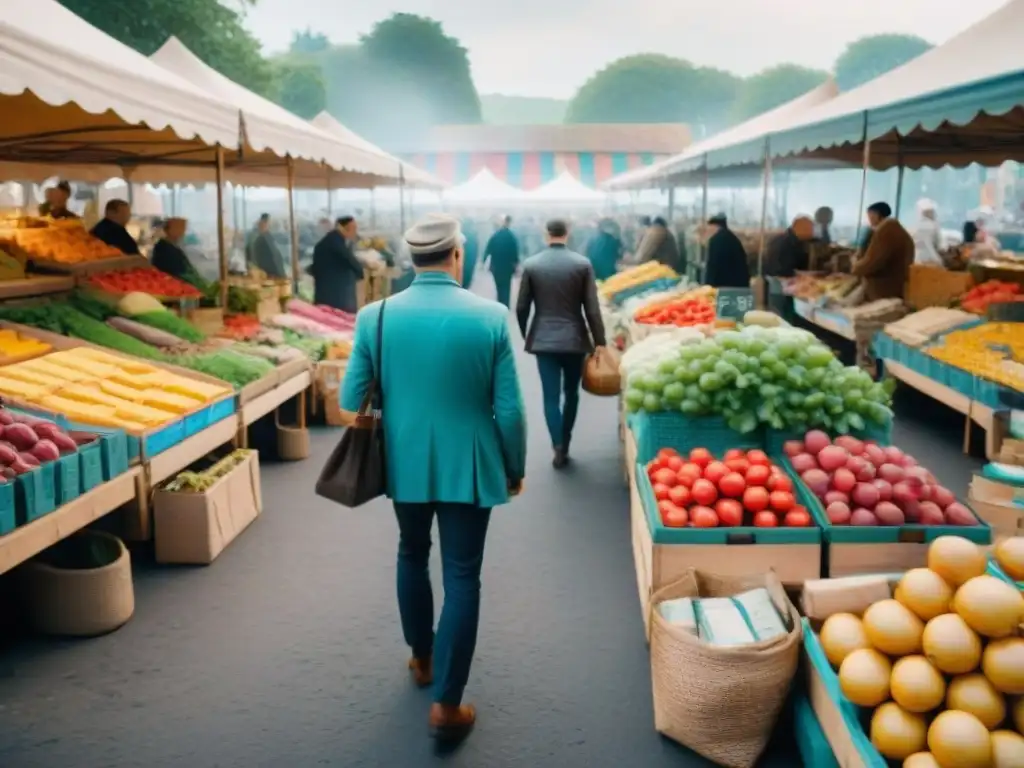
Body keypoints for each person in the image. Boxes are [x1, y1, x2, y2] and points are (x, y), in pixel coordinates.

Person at [340, 214, 527, 742]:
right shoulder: (490, 317)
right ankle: (447, 706)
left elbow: (349, 400)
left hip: (404, 459)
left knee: (411, 552)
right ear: (457, 256)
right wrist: (513, 467)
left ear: (411, 259)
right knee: (463, 576)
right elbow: (509, 412)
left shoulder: (374, 316)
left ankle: (422, 658)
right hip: (470, 463)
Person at [516, 219, 606, 469]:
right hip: (575, 339)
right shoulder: (582, 264)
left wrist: (526, 333)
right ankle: (566, 441)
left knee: (550, 396)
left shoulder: (532, 264)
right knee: (571, 393)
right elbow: (592, 308)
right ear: (568, 233)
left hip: (544, 340)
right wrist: (600, 341)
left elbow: (522, 306)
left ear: (546, 234)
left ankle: (556, 444)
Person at [851, 202, 914, 301]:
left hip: (885, 289)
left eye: (870, 215)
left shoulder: (887, 230)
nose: (869, 219)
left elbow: (872, 262)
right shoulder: (894, 229)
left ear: (876, 215)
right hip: (895, 284)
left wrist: (856, 266)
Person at [309, 216, 365, 312]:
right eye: (352, 228)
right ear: (342, 227)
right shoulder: (335, 241)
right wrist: (360, 272)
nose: (354, 231)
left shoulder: (334, 239)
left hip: (328, 289)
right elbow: (349, 259)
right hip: (334, 292)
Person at [703, 213, 750, 288]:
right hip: (739, 286)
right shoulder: (732, 238)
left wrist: (708, 286)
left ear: (714, 226)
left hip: (723, 286)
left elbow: (713, 266)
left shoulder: (716, 240)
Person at [483, 215, 519, 308]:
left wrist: (483, 260)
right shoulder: (511, 236)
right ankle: (505, 304)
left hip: (496, 266)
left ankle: (500, 303)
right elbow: (515, 252)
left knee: (498, 285)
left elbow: (488, 249)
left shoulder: (495, 235)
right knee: (506, 286)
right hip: (508, 266)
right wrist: (516, 264)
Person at [246, 213, 288, 278]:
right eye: (263, 223)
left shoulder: (268, 238)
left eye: (266, 223)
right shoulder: (258, 239)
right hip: (265, 275)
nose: (263, 225)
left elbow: (276, 258)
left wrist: (281, 275)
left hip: (272, 275)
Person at [913, 200, 944, 266]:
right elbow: (940, 245)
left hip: (916, 261)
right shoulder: (934, 226)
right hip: (932, 261)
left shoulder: (916, 226)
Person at [460, 218, 479, 289]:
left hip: (462, 262)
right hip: (470, 262)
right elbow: (476, 250)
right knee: (466, 283)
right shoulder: (474, 236)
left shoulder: (461, 234)